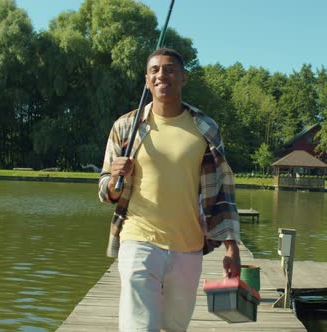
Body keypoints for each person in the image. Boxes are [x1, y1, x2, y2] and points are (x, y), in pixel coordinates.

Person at [98, 47, 241, 331]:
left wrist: (231, 246)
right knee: (139, 327)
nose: (162, 75)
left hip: (187, 247)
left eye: (170, 69)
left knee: (175, 327)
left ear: (184, 78)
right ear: (146, 80)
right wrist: (115, 177)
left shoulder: (206, 128)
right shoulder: (126, 126)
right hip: (137, 240)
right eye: (155, 70)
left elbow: (223, 192)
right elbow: (105, 191)